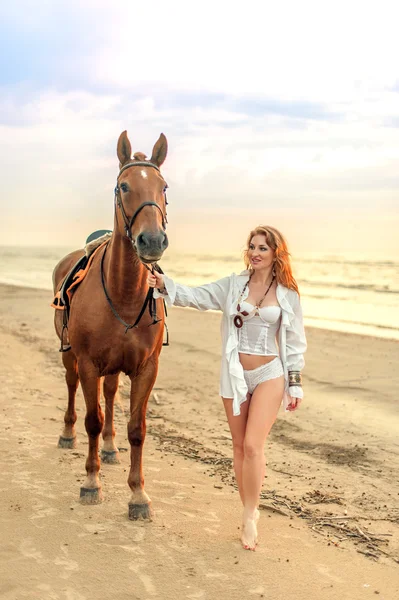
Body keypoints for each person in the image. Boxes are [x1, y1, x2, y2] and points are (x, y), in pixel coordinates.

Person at [148, 225, 307, 551]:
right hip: (234, 375)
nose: (255, 252)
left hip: (269, 373)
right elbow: (197, 296)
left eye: (263, 247)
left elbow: (294, 342)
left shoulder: (288, 295)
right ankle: (247, 507)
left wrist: (295, 383)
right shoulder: (233, 286)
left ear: (276, 253)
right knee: (237, 447)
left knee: (252, 446)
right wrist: (165, 284)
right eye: (252, 246)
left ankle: (250, 515)